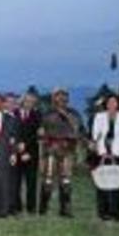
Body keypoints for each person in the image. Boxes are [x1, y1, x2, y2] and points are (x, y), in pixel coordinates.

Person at [39, 88, 83, 217]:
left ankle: (65, 209)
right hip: (50, 150)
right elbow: (42, 131)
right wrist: (41, 133)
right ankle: (43, 207)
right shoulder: (47, 114)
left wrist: (77, 141)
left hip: (67, 150)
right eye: (58, 96)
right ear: (54, 98)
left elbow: (80, 130)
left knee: (66, 181)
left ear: (67, 99)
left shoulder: (74, 114)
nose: (61, 99)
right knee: (47, 180)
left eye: (64, 96)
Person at [89, 94, 119, 221]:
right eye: (109, 102)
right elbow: (96, 135)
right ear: (106, 104)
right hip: (102, 154)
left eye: (114, 102)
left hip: (118, 153)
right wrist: (103, 153)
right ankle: (103, 212)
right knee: (103, 183)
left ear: (118, 103)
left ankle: (116, 213)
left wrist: (114, 153)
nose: (112, 104)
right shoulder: (99, 117)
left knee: (117, 183)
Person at [13, 91, 42, 214]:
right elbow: (12, 132)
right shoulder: (14, 114)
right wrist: (19, 147)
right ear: (22, 101)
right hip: (16, 152)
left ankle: (31, 207)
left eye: (32, 102)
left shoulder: (37, 115)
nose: (29, 103)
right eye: (27, 101)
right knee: (16, 182)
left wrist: (27, 149)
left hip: (31, 153)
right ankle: (17, 206)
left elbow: (38, 135)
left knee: (31, 182)